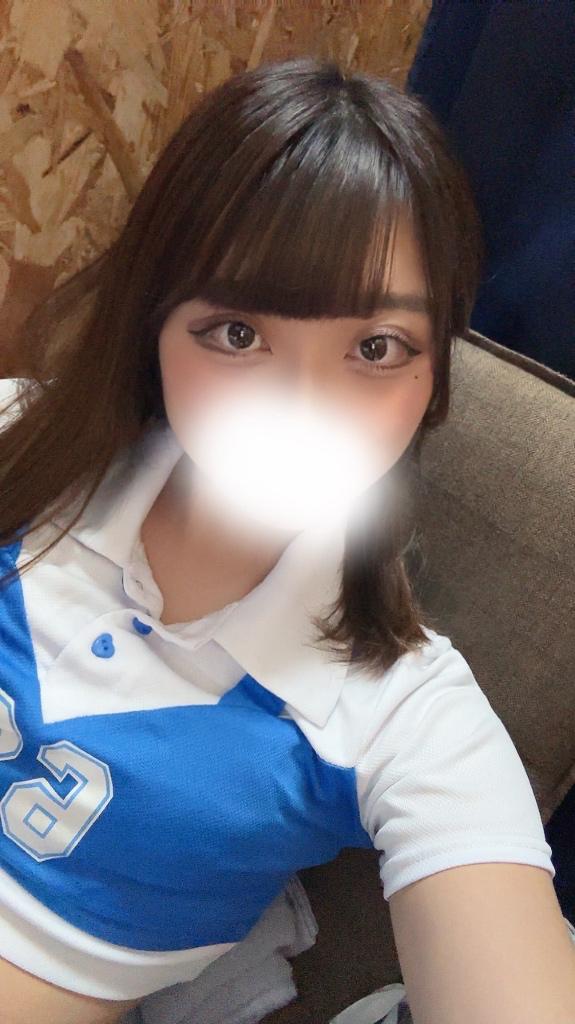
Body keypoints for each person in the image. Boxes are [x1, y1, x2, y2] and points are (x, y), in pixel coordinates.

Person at [0, 57, 572, 1024]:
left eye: (376, 348)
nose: (302, 408)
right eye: (236, 333)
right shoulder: (19, 443)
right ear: (155, 327)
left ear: (433, 379)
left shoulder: (401, 714)